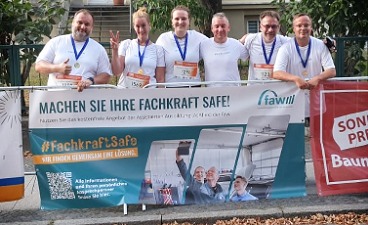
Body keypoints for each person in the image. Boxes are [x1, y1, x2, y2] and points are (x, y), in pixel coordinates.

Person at [272, 13, 336, 118]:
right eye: (299, 25)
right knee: (295, 134)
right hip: (292, 105)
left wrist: (318, 78)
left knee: (317, 134)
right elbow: (277, 73)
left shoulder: (320, 45)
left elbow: (332, 70)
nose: (303, 28)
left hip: (316, 105)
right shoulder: (286, 48)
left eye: (306, 25)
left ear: (311, 27)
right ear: (293, 28)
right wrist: (295, 78)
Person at [35, 9, 112, 92]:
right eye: (80, 22)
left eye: (87, 24)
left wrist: (91, 81)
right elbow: (39, 66)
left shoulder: (98, 49)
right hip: (57, 99)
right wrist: (57, 68)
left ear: (92, 28)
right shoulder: (56, 42)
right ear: (73, 23)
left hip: (85, 100)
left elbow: (106, 75)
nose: (83, 27)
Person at [110, 7, 165, 88]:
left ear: (149, 25)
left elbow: (160, 80)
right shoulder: (126, 44)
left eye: (143, 25)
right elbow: (116, 72)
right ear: (134, 27)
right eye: (137, 26)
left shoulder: (158, 50)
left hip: (147, 97)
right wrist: (115, 51)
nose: (141, 29)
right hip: (126, 95)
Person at [155, 5, 208, 87]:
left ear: (189, 21)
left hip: (194, 89)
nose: (180, 22)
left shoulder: (199, 38)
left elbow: (215, 46)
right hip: (171, 89)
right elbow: (156, 65)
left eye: (183, 19)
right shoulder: (163, 39)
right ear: (172, 21)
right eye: (176, 19)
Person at [240, 11, 290, 84]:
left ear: (278, 27)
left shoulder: (285, 42)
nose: (270, 30)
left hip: (278, 91)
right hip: (254, 90)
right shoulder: (251, 39)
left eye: (274, 26)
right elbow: (234, 48)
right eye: (267, 26)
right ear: (260, 27)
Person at [200, 12, 247, 87]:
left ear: (228, 28)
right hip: (212, 94)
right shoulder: (203, 45)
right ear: (212, 28)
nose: (220, 29)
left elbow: (252, 57)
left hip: (235, 93)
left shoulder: (236, 45)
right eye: (217, 26)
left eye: (223, 26)